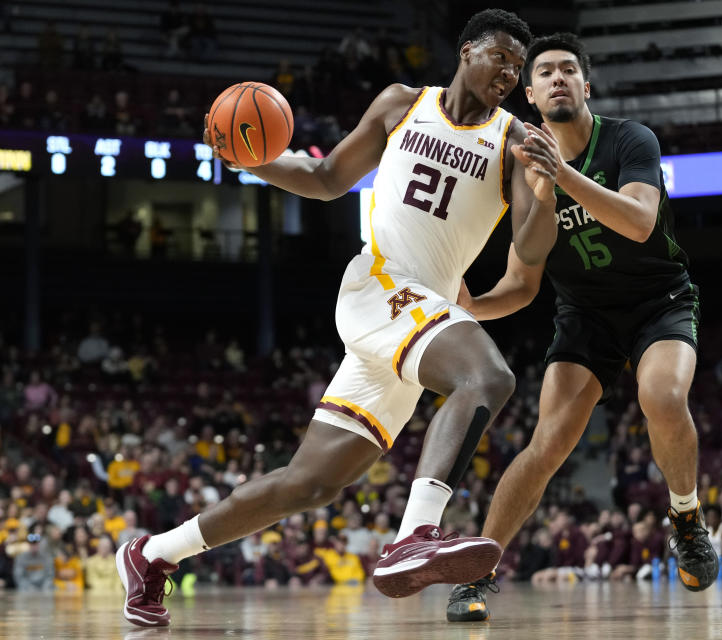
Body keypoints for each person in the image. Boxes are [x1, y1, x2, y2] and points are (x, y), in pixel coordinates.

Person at [116, 9, 557, 628]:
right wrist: (251, 162)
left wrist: (545, 187)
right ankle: (416, 536)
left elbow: (528, 263)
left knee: (310, 483)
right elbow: (326, 179)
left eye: (518, 66)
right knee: (488, 377)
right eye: (500, 57)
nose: (509, 73)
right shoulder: (402, 103)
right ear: (466, 51)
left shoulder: (516, 142)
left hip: (420, 318)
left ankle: (153, 554)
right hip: (380, 286)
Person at [446, 32, 716, 622]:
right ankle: (477, 572)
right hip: (585, 315)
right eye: (544, 73)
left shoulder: (629, 139)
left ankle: (687, 516)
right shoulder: (524, 173)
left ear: (586, 86)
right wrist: (470, 307)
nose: (557, 78)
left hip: (658, 299)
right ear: (532, 99)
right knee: (545, 447)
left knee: (662, 396)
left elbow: (642, 222)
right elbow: (521, 284)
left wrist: (563, 175)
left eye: (568, 69)